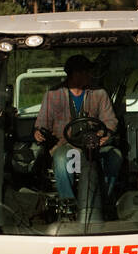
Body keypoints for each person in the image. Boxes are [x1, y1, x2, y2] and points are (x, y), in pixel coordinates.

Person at [33, 55, 121, 203]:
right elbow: (43, 121)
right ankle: (68, 203)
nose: (89, 75)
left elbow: (110, 120)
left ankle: (104, 200)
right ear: (74, 74)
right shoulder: (53, 95)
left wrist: (105, 134)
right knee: (61, 159)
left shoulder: (99, 93)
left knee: (114, 156)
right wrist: (38, 131)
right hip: (67, 145)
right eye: (86, 72)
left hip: (95, 144)